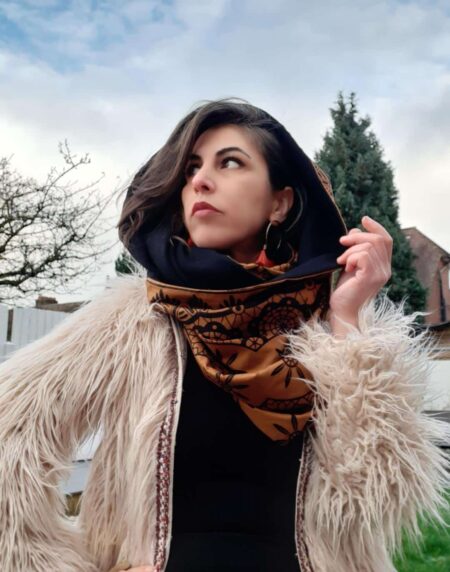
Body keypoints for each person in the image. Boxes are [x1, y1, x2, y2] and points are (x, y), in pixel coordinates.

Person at [0, 98, 448, 572]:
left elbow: (372, 500)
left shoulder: (327, 330)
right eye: (191, 168)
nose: (200, 181)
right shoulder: (132, 321)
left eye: (230, 162)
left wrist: (348, 318)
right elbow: (11, 438)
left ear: (280, 203)